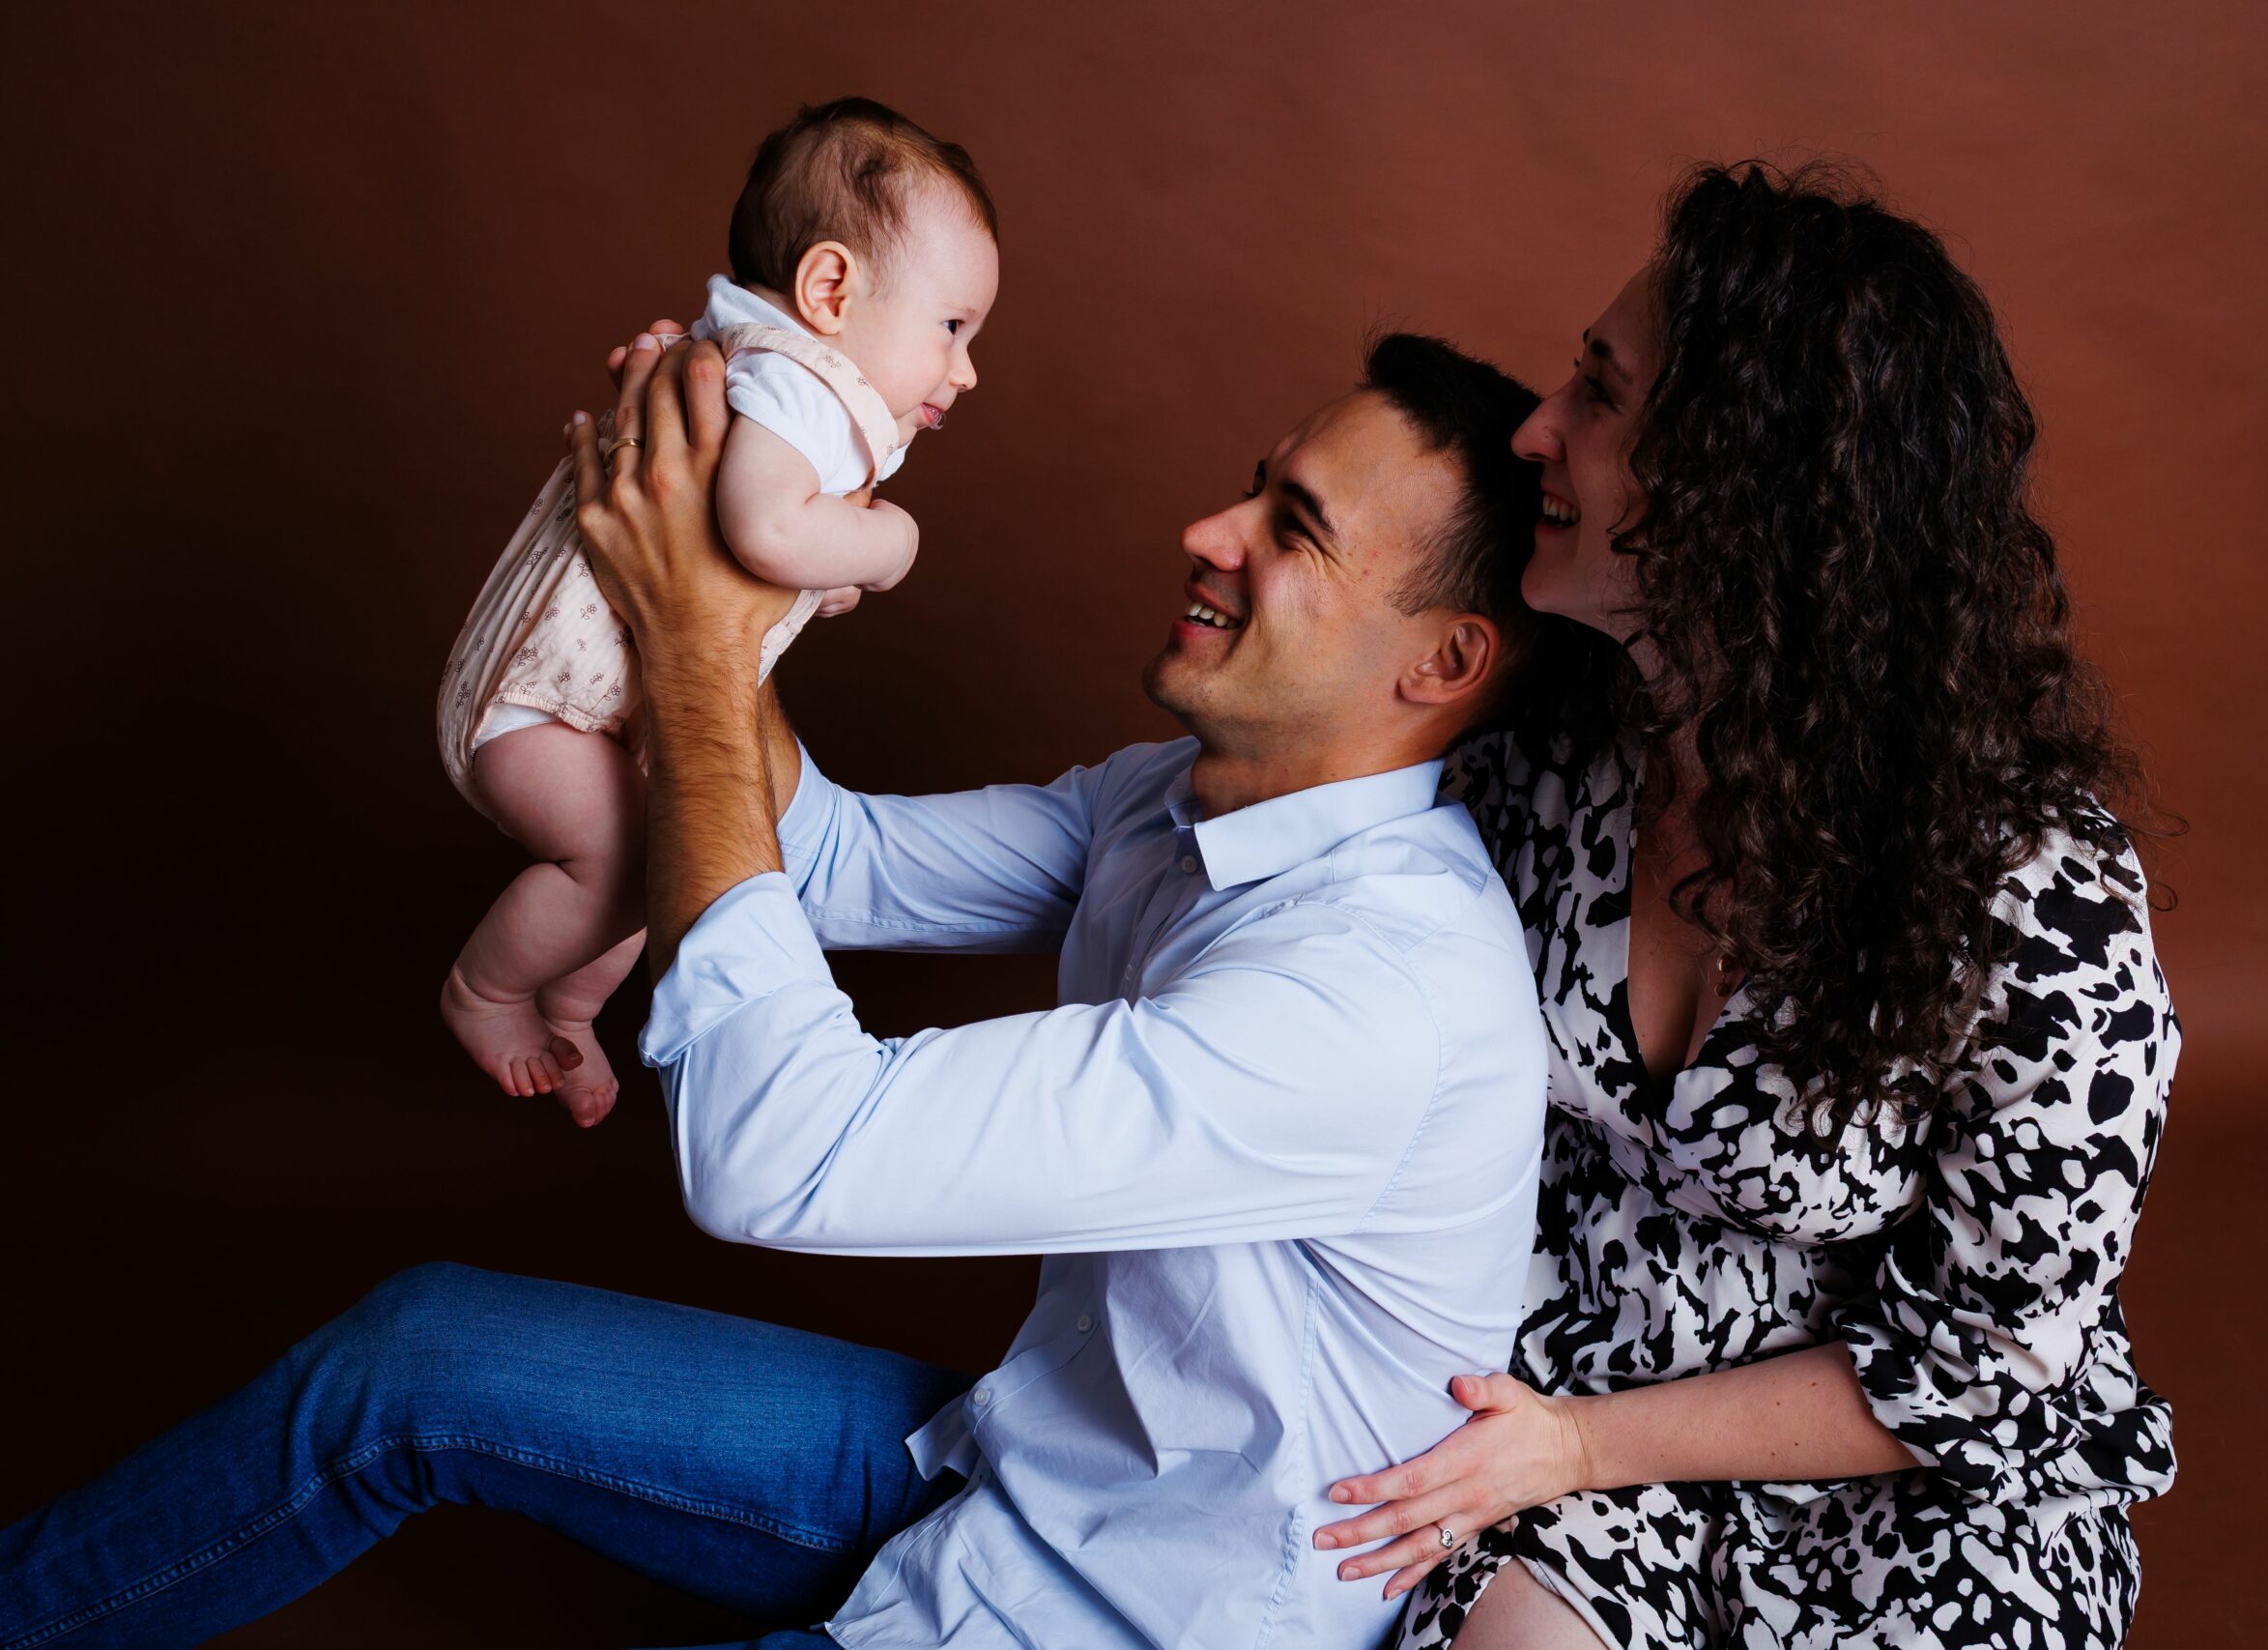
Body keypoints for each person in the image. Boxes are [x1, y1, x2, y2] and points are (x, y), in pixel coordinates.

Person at [0, 331, 1555, 1650]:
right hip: (1013, 1451)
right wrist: (715, 542)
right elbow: (831, 858)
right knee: (416, 1356)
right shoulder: (1182, 797)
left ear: (1442, 660)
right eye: (1252, 482)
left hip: (1124, 1606)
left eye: (1293, 525)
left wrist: (694, 647)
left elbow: (785, 1153)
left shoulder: (1377, 995)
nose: (1213, 530)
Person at [1306, 164, 2183, 1650]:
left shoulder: (2038, 900)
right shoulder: (1550, 740)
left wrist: (1588, 1443)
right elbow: (1277, 827)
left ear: (1741, 489)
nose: (1535, 432)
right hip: (1554, 1399)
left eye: (1599, 391)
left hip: (1910, 1471)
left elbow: (1978, 1369)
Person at [436, 98, 999, 1126]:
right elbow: (765, 530)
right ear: (830, 288)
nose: (966, 367)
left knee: (662, 845)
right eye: (952, 327)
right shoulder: (794, 387)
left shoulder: (768, 371)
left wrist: (812, 570)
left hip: (585, 703)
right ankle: (489, 989)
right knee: (621, 856)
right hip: (539, 708)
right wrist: (886, 547)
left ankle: (573, 1001)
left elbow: (765, 541)